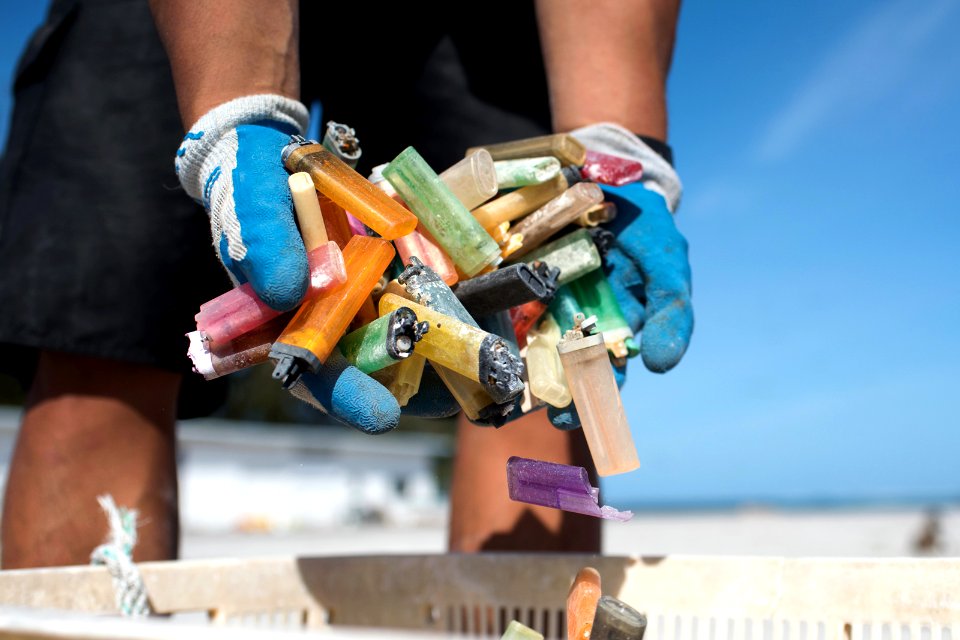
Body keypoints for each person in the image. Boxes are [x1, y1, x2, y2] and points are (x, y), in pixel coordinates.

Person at [0, 0, 692, 567]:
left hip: (493, 30)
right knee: (102, 328)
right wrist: (230, 115)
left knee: (541, 369)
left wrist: (616, 139)